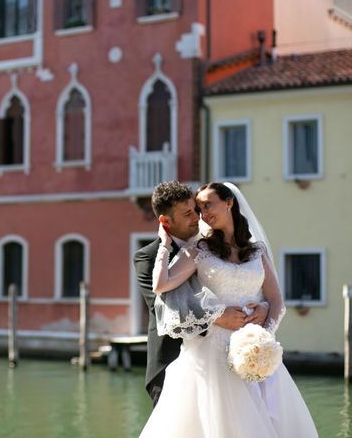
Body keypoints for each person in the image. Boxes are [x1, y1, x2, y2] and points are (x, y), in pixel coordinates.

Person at [139, 182, 318, 437]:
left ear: (229, 202)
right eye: (199, 209)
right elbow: (161, 285)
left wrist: (263, 336)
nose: (204, 213)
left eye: (208, 204)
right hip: (212, 353)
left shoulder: (257, 251)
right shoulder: (199, 250)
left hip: (254, 352)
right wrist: (165, 243)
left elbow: (276, 301)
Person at [134, 182, 268, 407]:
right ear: (166, 222)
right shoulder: (147, 257)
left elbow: (244, 282)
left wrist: (263, 305)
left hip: (233, 353)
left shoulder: (216, 244)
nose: (197, 217)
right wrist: (216, 316)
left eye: (196, 210)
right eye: (187, 214)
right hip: (173, 362)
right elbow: (165, 304)